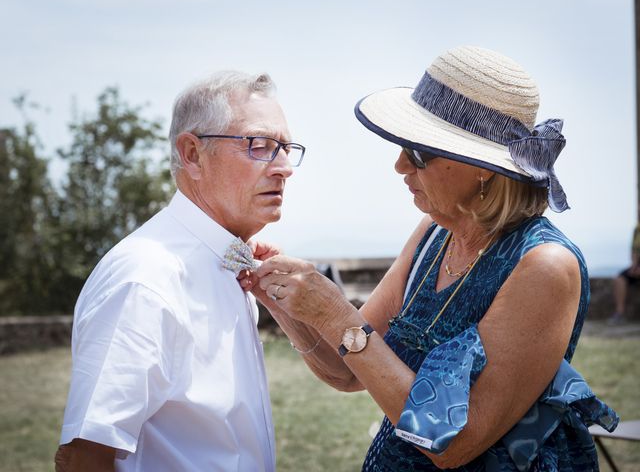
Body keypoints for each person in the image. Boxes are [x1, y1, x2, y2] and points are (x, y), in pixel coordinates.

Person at [244, 46, 618, 470]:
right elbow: (348, 370)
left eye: (419, 152)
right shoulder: (433, 234)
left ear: (483, 168)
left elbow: (453, 444)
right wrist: (284, 302)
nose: (400, 165)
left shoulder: (544, 266)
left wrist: (335, 315)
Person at [55, 71, 305, 471]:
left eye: (287, 148)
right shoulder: (146, 279)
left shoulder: (228, 262)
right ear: (192, 154)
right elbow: (85, 454)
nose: (285, 167)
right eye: (260, 146)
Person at [611, 218, 640, 323]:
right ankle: (619, 313)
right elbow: (634, 250)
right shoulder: (637, 229)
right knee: (619, 279)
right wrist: (634, 266)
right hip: (637, 266)